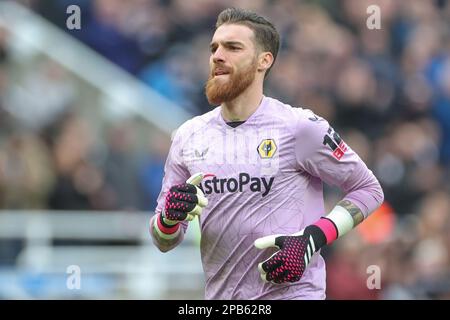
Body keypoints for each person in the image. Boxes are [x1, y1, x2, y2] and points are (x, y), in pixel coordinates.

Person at [150, 7, 384, 300]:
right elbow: (163, 239)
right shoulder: (188, 135)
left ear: (264, 60)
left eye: (233, 47)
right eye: (214, 48)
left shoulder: (300, 127)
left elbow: (368, 189)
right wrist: (169, 219)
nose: (217, 56)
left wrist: (313, 238)